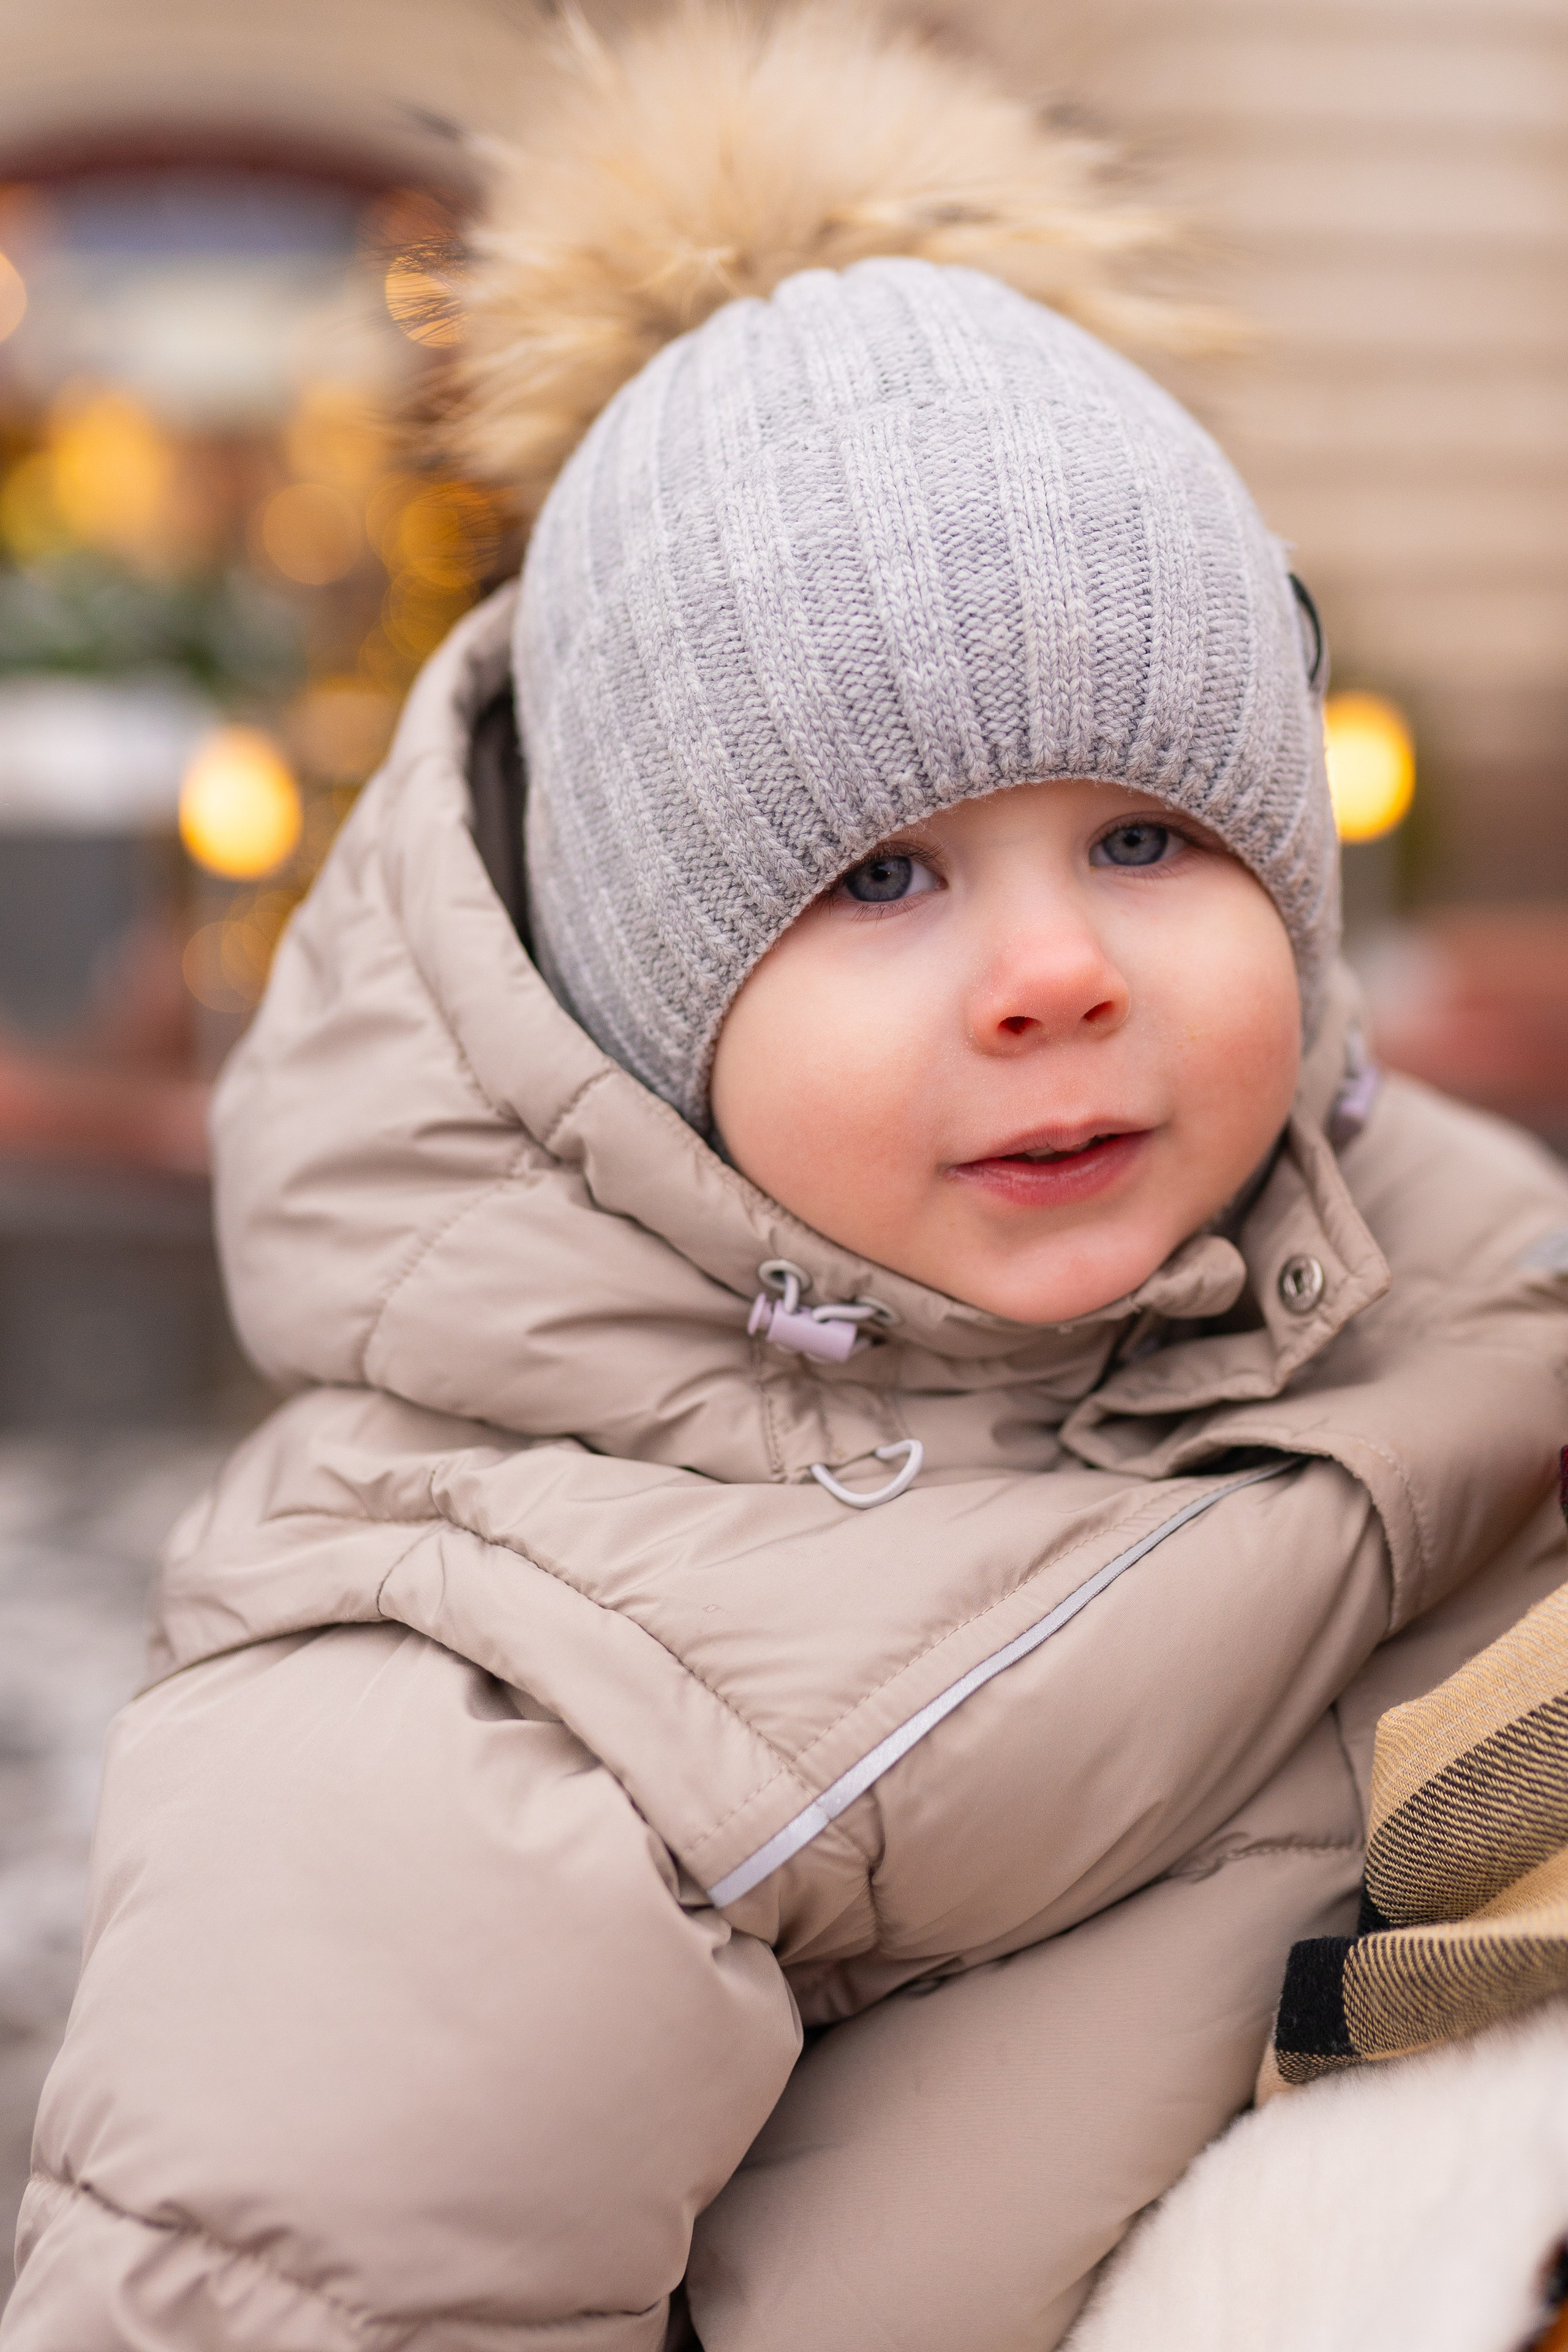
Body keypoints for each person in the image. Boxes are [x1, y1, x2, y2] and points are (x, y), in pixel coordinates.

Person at [7, 10, 1568, 2349]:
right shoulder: (490, 1719)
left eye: (1149, 838)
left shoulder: (1462, 1268)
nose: (1056, 975)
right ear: (643, 1003)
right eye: (879, 879)